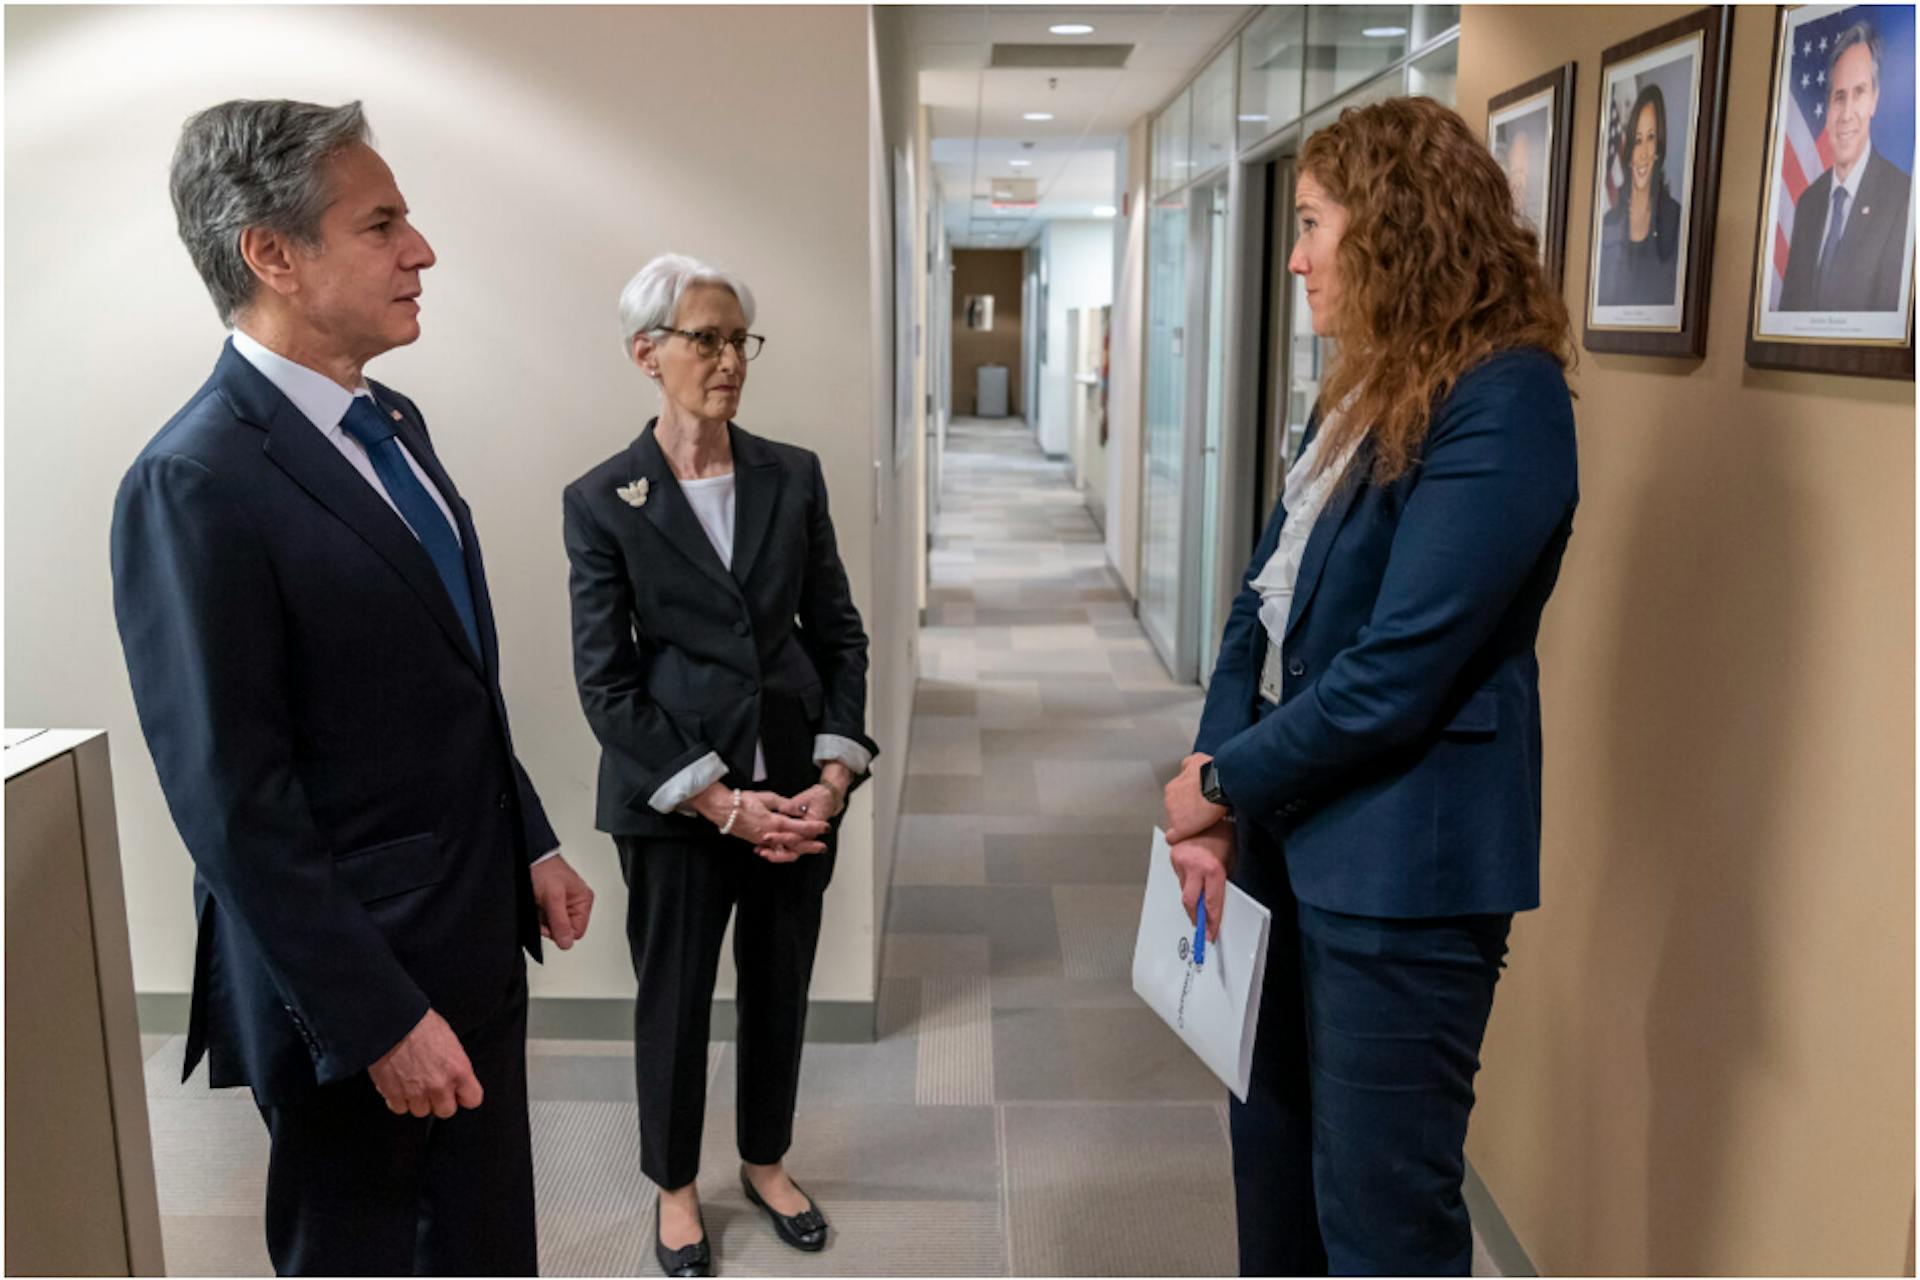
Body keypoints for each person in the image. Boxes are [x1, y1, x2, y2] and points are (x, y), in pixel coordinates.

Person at [110, 100, 595, 1274]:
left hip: (470, 930)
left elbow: (444, 673)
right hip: (356, 994)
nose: (420, 250)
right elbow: (235, 804)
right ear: (270, 254)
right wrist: (376, 1016)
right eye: (381, 225)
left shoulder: (392, 422)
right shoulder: (194, 479)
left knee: (481, 1246)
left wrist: (526, 836)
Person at [1160, 97, 1577, 1276]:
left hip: (1405, 872)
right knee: (1274, 1172)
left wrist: (1221, 779)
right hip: (1284, 841)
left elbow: (1397, 670)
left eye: (1309, 223)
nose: (1293, 255)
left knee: (1382, 1215)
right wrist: (1214, 788)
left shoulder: (1507, 399)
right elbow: (1261, 602)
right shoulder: (1361, 387)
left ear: (1394, 226)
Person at [563, 253, 878, 1278]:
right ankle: (675, 1185)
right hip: (676, 803)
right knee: (677, 994)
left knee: (780, 983)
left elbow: (838, 634)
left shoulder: (792, 471)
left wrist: (831, 775)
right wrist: (719, 802)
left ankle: (766, 1159)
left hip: (794, 783)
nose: (729, 357)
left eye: (739, 337)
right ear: (647, 354)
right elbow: (607, 684)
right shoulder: (603, 498)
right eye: (707, 337)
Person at [1779, 20, 1913, 312]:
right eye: (1839, 97)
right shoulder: (1808, 204)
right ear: (1827, 108)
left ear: (1875, 100)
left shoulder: (1903, 199)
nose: (1847, 113)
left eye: (1859, 92)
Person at [1596, 82, 1684, 307]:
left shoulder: (1676, 218)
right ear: (1628, 150)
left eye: (1651, 138)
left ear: (1659, 148)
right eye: (1637, 140)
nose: (1643, 153)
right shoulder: (1608, 224)